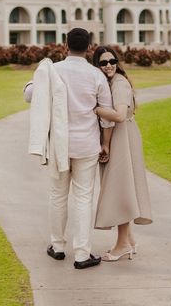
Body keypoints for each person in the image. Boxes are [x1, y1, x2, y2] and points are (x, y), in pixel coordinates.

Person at [23, 28, 120, 269]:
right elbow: (107, 116)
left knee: (58, 195)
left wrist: (31, 80)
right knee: (83, 198)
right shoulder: (96, 76)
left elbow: (29, 95)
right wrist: (105, 143)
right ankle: (81, 254)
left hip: (59, 144)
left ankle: (57, 247)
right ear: (89, 48)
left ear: (65, 46)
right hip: (87, 145)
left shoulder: (52, 71)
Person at [92, 46, 153, 262]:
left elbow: (118, 115)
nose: (108, 65)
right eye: (103, 62)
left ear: (117, 62)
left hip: (122, 137)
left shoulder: (118, 84)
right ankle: (130, 240)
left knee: (120, 189)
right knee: (122, 186)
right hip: (123, 136)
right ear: (97, 65)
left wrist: (96, 109)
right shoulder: (112, 82)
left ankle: (122, 244)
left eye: (112, 60)